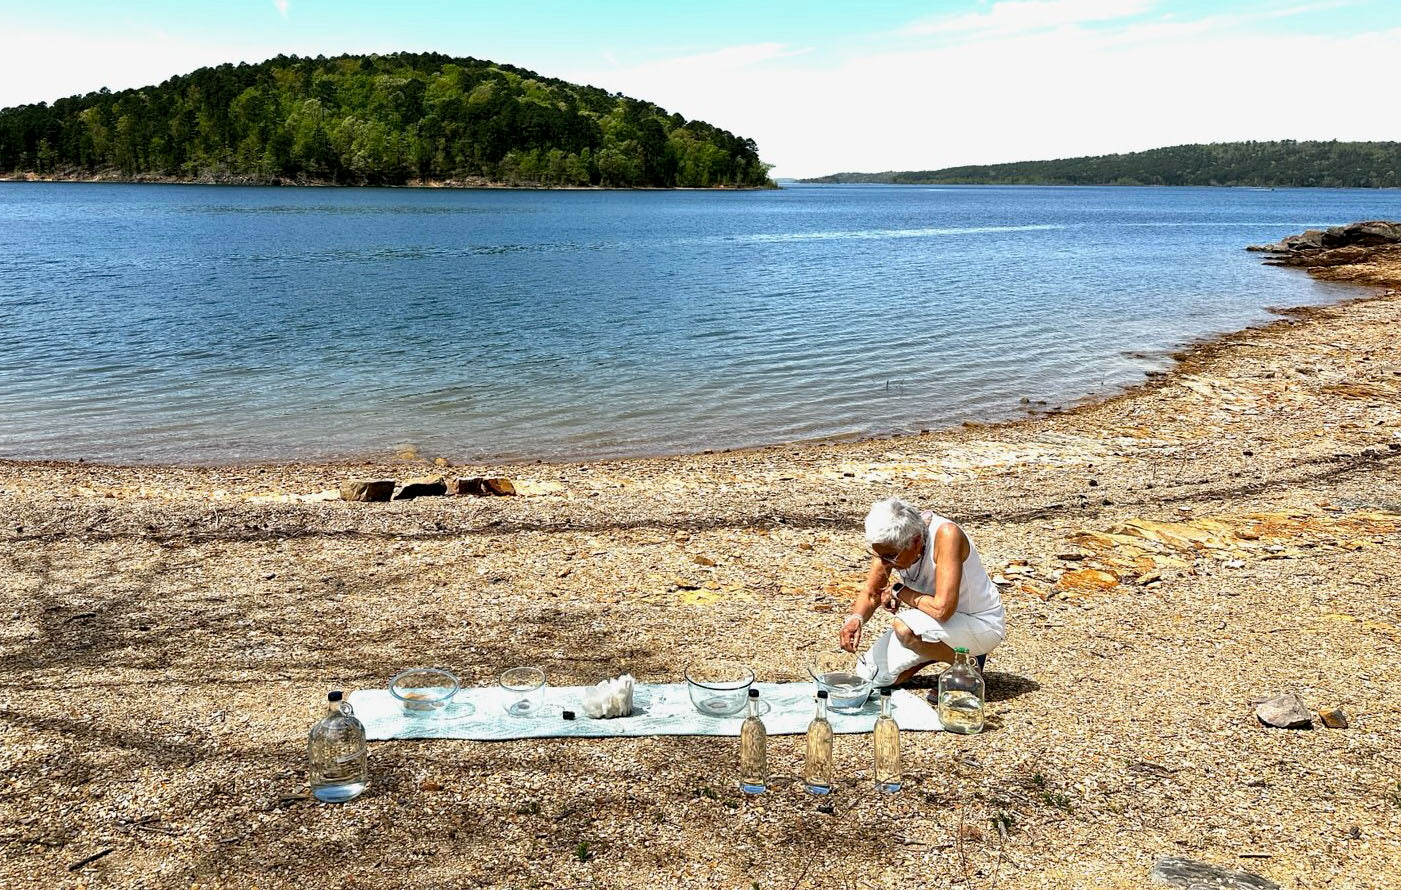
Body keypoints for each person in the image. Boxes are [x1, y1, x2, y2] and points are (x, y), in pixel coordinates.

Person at [839, 497, 1004, 685]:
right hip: (934, 624)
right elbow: (871, 592)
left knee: (904, 627)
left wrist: (899, 590)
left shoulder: (947, 535)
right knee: (871, 677)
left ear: (916, 541)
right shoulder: (890, 543)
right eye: (879, 555)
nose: (884, 563)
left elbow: (942, 610)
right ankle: (940, 650)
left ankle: (967, 666)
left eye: (890, 557)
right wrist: (855, 619)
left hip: (981, 623)